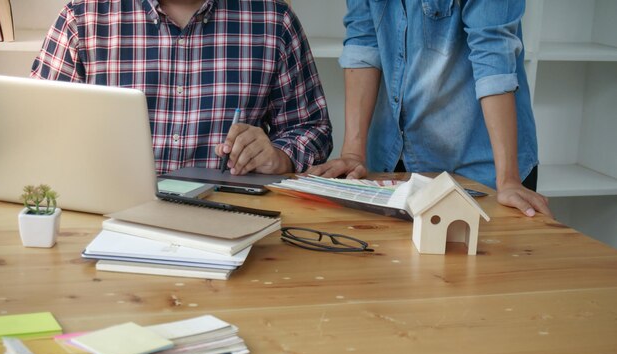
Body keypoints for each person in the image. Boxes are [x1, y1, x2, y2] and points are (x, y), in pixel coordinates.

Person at [31, 0, 332, 176]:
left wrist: (278, 156)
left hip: (228, 211)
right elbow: (35, 130)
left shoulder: (273, 20)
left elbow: (312, 128)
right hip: (109, 210)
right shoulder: (83, 17)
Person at [308, 0, 551, 217]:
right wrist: (353, 153)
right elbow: (363, 39)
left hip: (482, 165)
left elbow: (493, 56)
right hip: (392, 159)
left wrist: (508, 179)